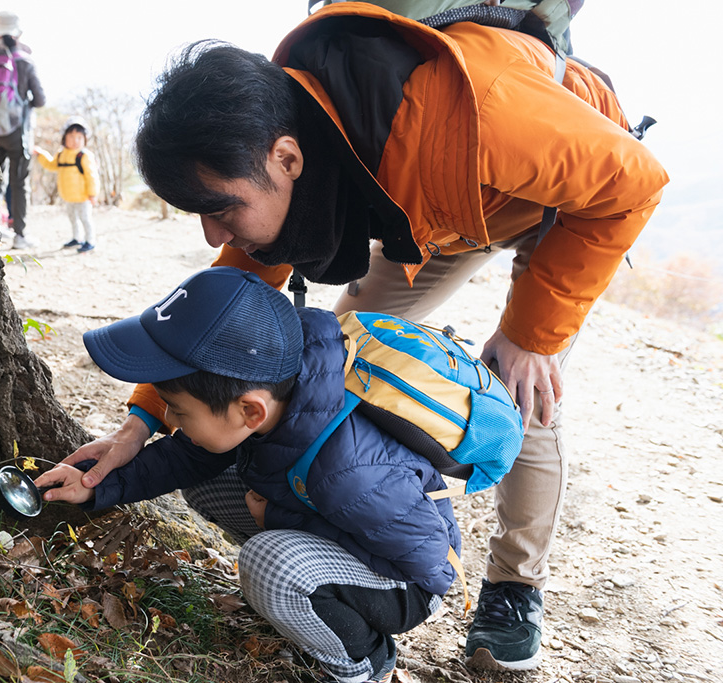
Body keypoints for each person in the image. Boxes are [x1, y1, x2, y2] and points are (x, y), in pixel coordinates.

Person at [52, 3, 670, 672]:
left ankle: (514, 587)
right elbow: (220, 321)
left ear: (286, 158)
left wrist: (531, 333)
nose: (212, 234)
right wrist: (141, 422)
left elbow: (632, 183)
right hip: (434, 212)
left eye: (221, 208)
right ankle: (340, 545)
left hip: (563, 202)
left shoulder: (485, 112)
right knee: (349, 355)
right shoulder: (286, 124)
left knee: (525, 385)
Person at [38, 266, 462, 683]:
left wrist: (278, 519)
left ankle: (362, 663)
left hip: (406, 582)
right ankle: (305, 599)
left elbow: (429, 564)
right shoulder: (271, 394)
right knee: (204, 480)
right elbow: (182, 460)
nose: (170, 420)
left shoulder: (351, 471)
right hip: (339, 519)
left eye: (179, 411)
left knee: (269, 563)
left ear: (250, 411)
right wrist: (96, 485)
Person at [0, 11, 45, 250]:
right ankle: (20, 235)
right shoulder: (25, 61)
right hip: (18, 132)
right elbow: (40, 100)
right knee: (19, 183)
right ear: (18, 34)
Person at [35, 117, 100, 253]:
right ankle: (77, 238)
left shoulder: (84, 156)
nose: (75, 141)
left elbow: (92, 176)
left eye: (79, 137)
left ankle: (90, 241)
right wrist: (41, 154)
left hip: (83, 197)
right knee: (72, 218)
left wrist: (93, 194)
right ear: (64, 138)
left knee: (85, 219)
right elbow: (51, 165)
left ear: (84, 139)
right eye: (71, 137)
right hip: (68, 196)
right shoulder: (61, 154)